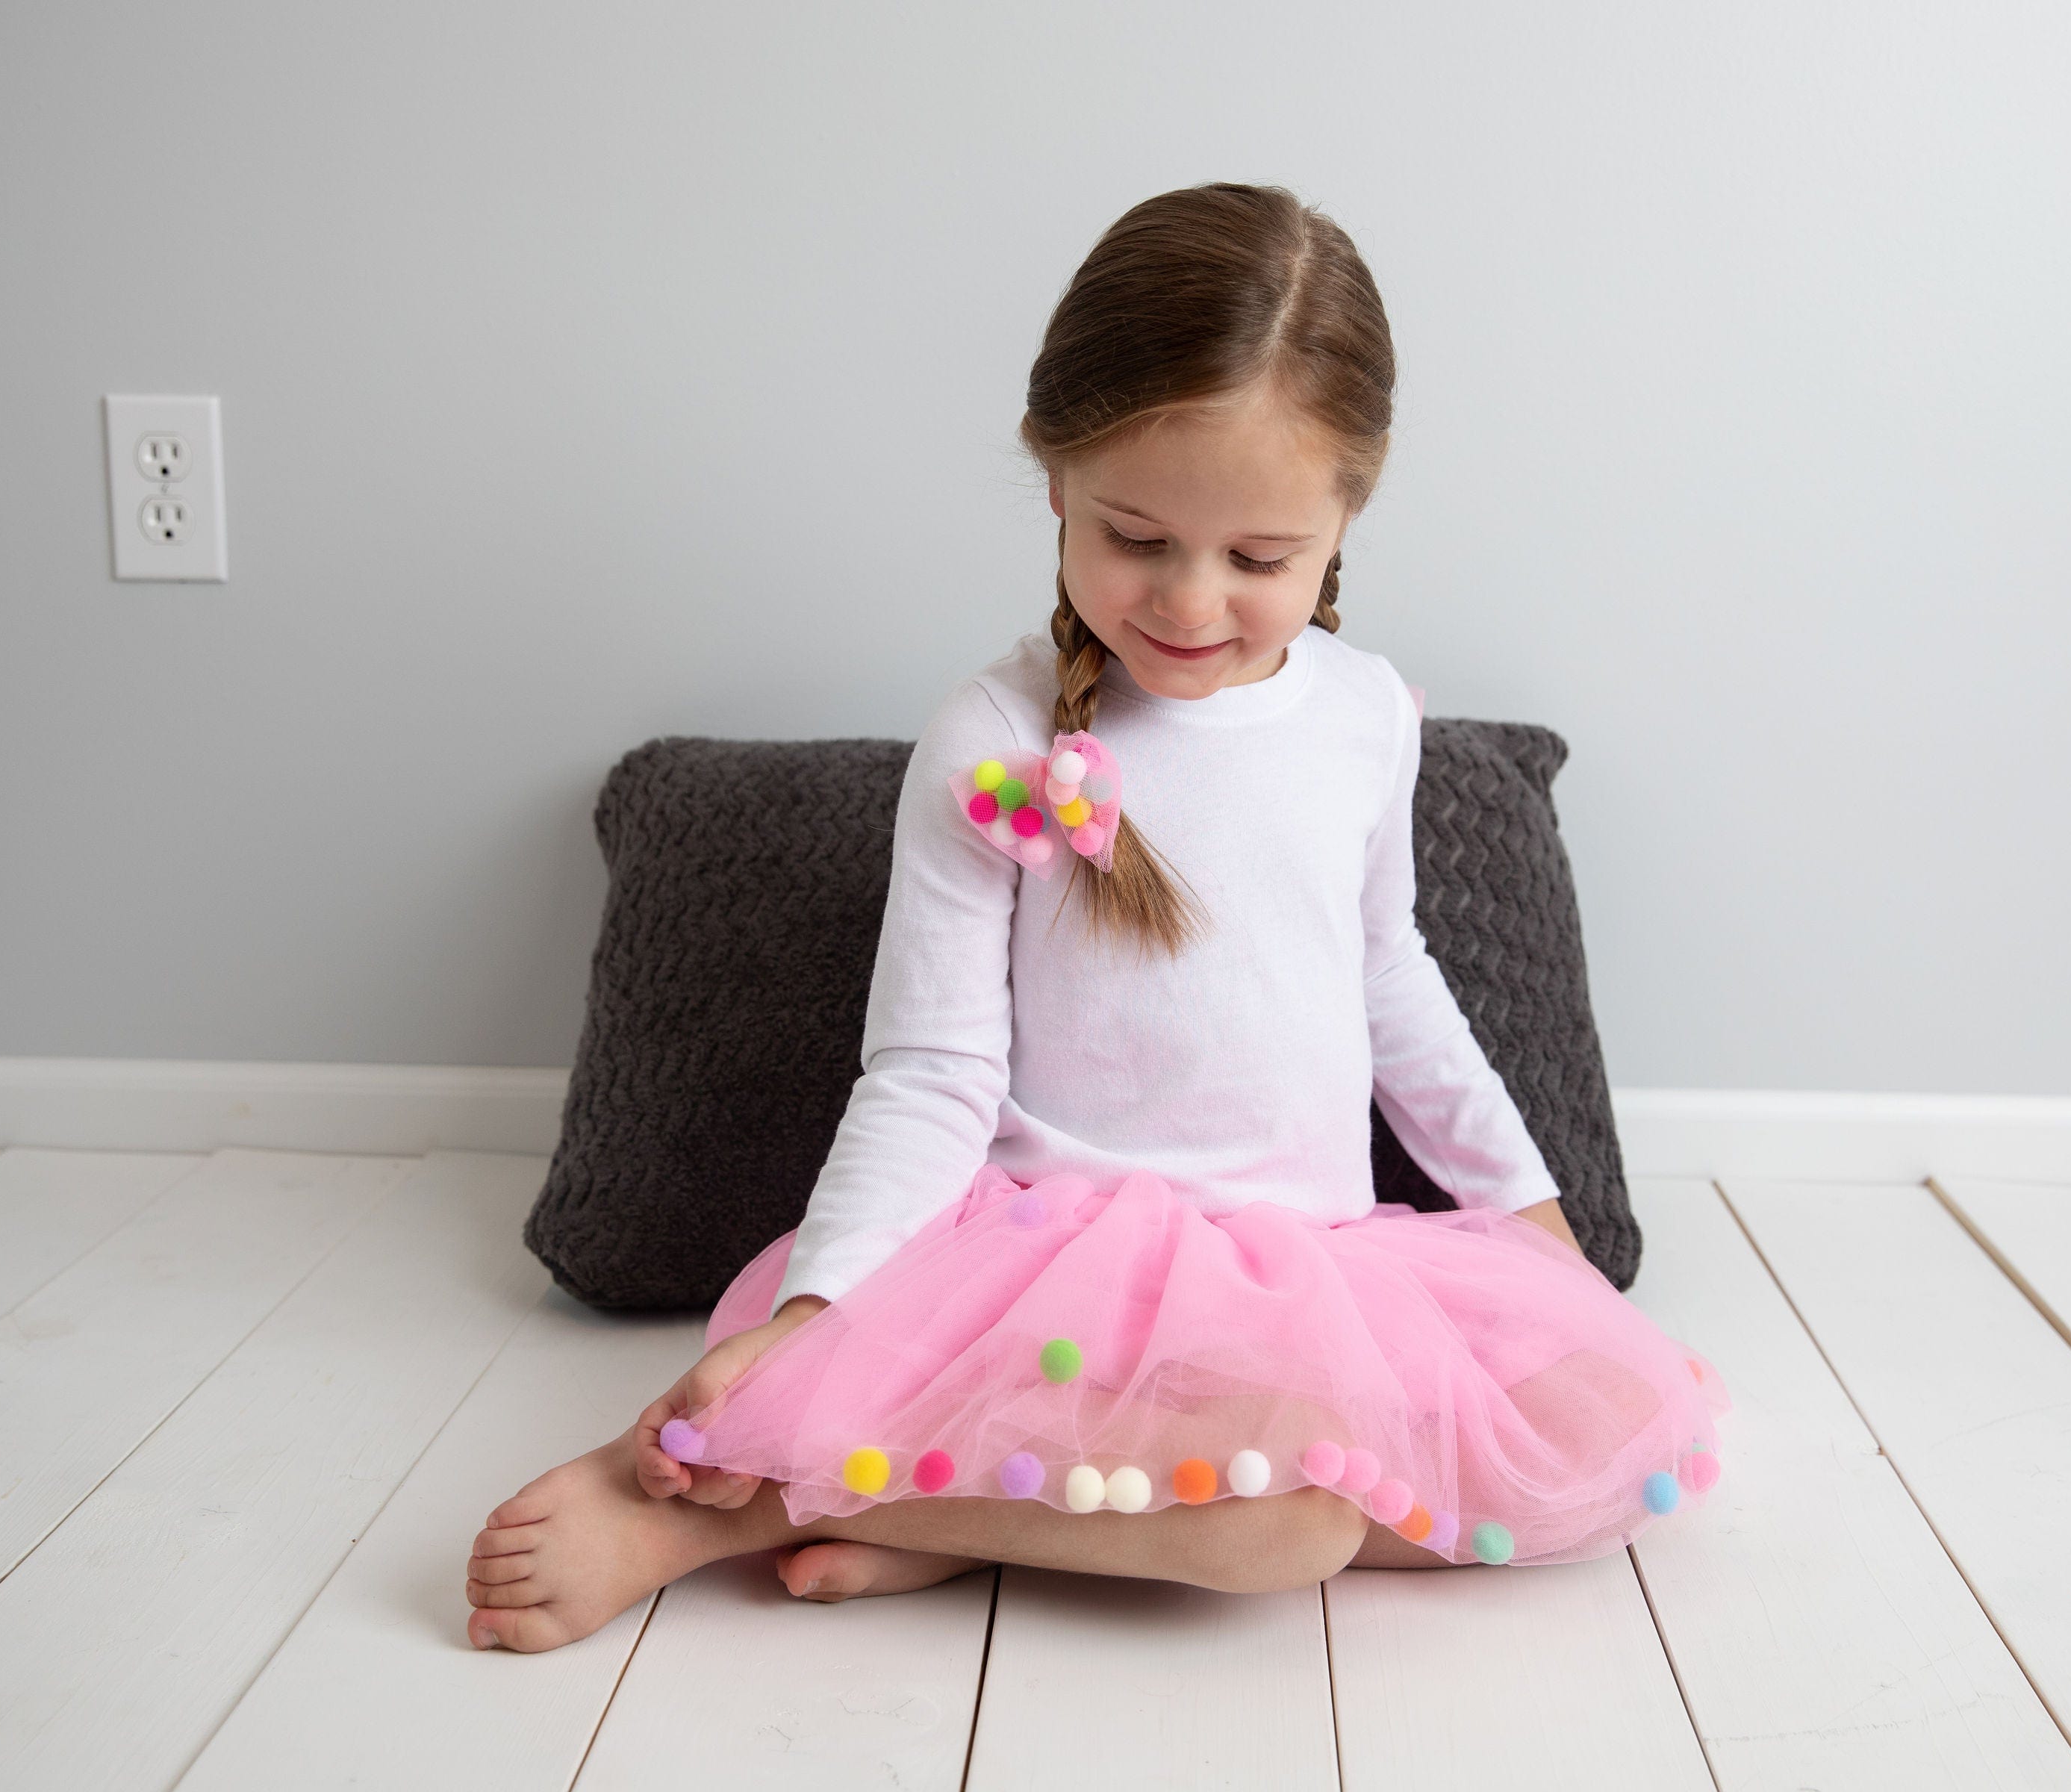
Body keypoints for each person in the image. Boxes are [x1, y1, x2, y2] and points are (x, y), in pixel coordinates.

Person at [464, 181, 1727, 1651]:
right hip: (1044, 1270)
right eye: (1139, 536)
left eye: (1258, 558)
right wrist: (813, 1322)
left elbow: (1395, 982)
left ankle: (944, 1515)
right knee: (1302, 1521)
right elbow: (930, 1073)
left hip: (1306, 1264)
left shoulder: (1368, 721)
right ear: (1055, 480)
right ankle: (754, 1500)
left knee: (1590, 1463)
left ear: (1343, 519)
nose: (1192, 602)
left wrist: (1528, 1217)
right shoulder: (991, 740)